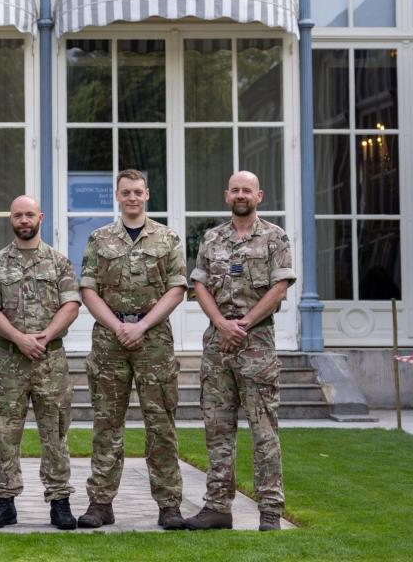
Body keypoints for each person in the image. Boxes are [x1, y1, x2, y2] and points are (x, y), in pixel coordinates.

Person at [77, 169, 189, 531]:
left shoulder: (167, 238)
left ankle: (169, 505)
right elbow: (88, 289)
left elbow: (177, 288)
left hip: (153, 339)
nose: (132, 198)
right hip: (110, 341)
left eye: (138, 192)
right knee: (107, 424)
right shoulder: (99, 238)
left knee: (161, 425)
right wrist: (118, 326)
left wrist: (141, 325)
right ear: (117, 196)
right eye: (126, 192)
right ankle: (101, 503)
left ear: (147, 194)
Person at [184, 170, 294, 533]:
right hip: (218, 344)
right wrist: (221, 323)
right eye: (235, 190)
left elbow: (279, 289)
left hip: (256, 343)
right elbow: (198, 284)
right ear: (226, 195)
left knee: (264, 430)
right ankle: (217, 507)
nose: (241, 195)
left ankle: (270, 511)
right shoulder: (212, 238)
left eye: (247, 190)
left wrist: (242, 324)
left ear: (259, 195)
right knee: (217, 428)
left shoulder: (275, 237)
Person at [0, 195, 81, 531]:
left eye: (29, 215)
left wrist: (45, 336)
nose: (24, 220)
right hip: (9, 361)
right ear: (11, 219)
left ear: (41, 217)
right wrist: (20, 338)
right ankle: (4, 501)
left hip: (50, 361)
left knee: (55, 431)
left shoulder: (59, 262)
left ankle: (60, 501)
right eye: (18, 215)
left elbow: (71, 305)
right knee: (6, 431)